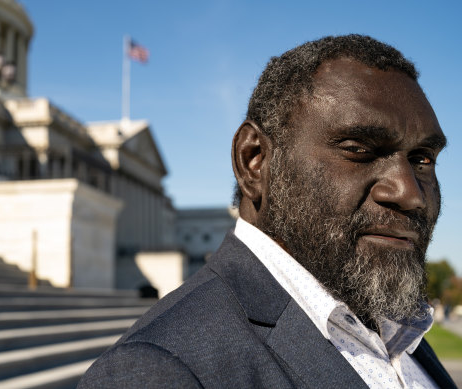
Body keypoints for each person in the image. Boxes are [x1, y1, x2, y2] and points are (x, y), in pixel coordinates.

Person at [78, 34, 456, 388]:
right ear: (254, 161)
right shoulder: (156, 371)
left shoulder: (400, 331)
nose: (410, 194)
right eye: (359, 149)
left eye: (423, 159)